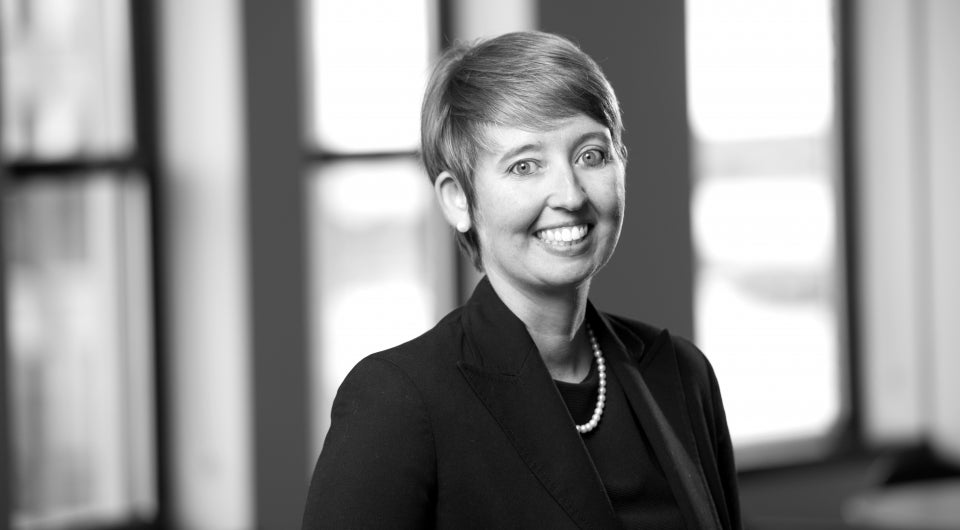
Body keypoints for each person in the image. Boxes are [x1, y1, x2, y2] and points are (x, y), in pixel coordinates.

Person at [302, 31, 741, 529]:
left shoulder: (682, 374)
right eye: (525, 166)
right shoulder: (398, 402)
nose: (570, 195)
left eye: (591, 155)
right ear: (458, 199)